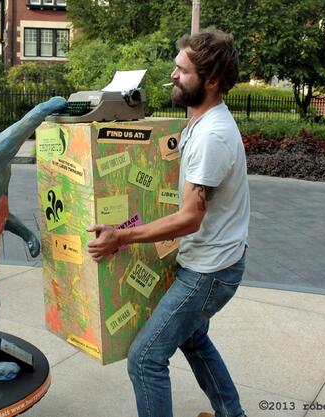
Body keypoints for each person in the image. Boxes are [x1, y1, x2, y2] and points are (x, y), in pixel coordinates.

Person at [87, 27, 250, 417]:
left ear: (211, 81)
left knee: (145, 359)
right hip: (211, 262)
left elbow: (191, 217)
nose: (173, 75)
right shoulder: (200, 120)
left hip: (210, 271)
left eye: (183, 71)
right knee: (194, 341)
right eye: (176, 67)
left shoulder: (213, 136)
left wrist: (120, 237)